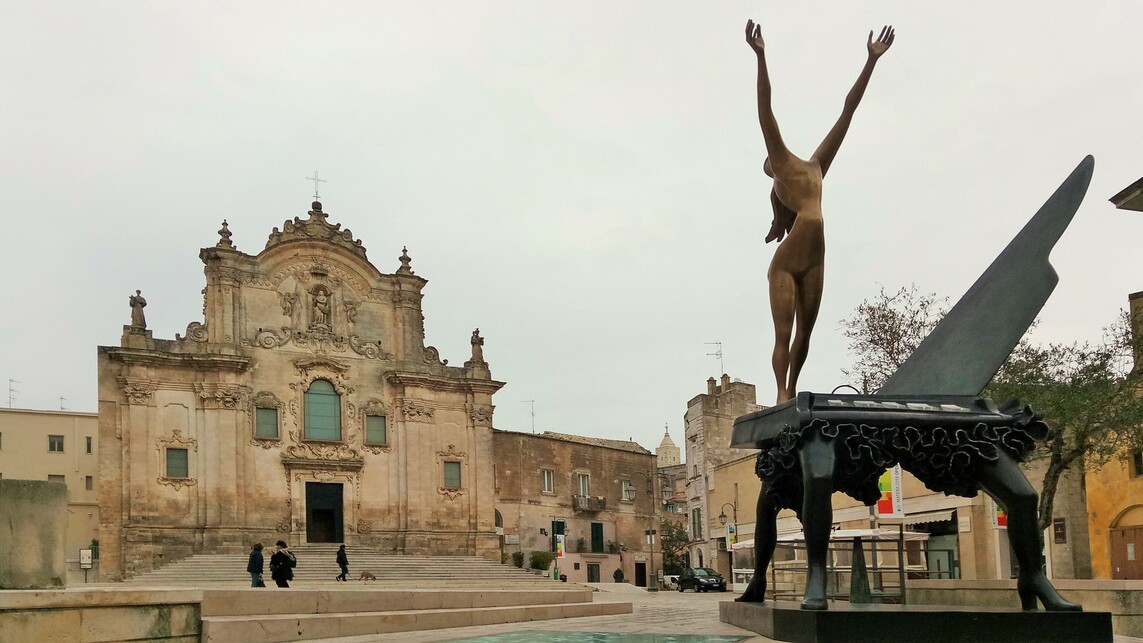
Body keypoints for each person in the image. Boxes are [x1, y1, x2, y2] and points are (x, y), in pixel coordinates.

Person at [744, 19, 894, 404]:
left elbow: (848, 112)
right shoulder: (782, 166)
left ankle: (792, 389)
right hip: (786, 262)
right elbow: (765, 110)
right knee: (783, 331)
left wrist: (871, 63)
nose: (772, 159)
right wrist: (760, 57)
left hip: (815, 255)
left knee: (805, 333)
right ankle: (781, 392)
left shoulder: (814, 165)